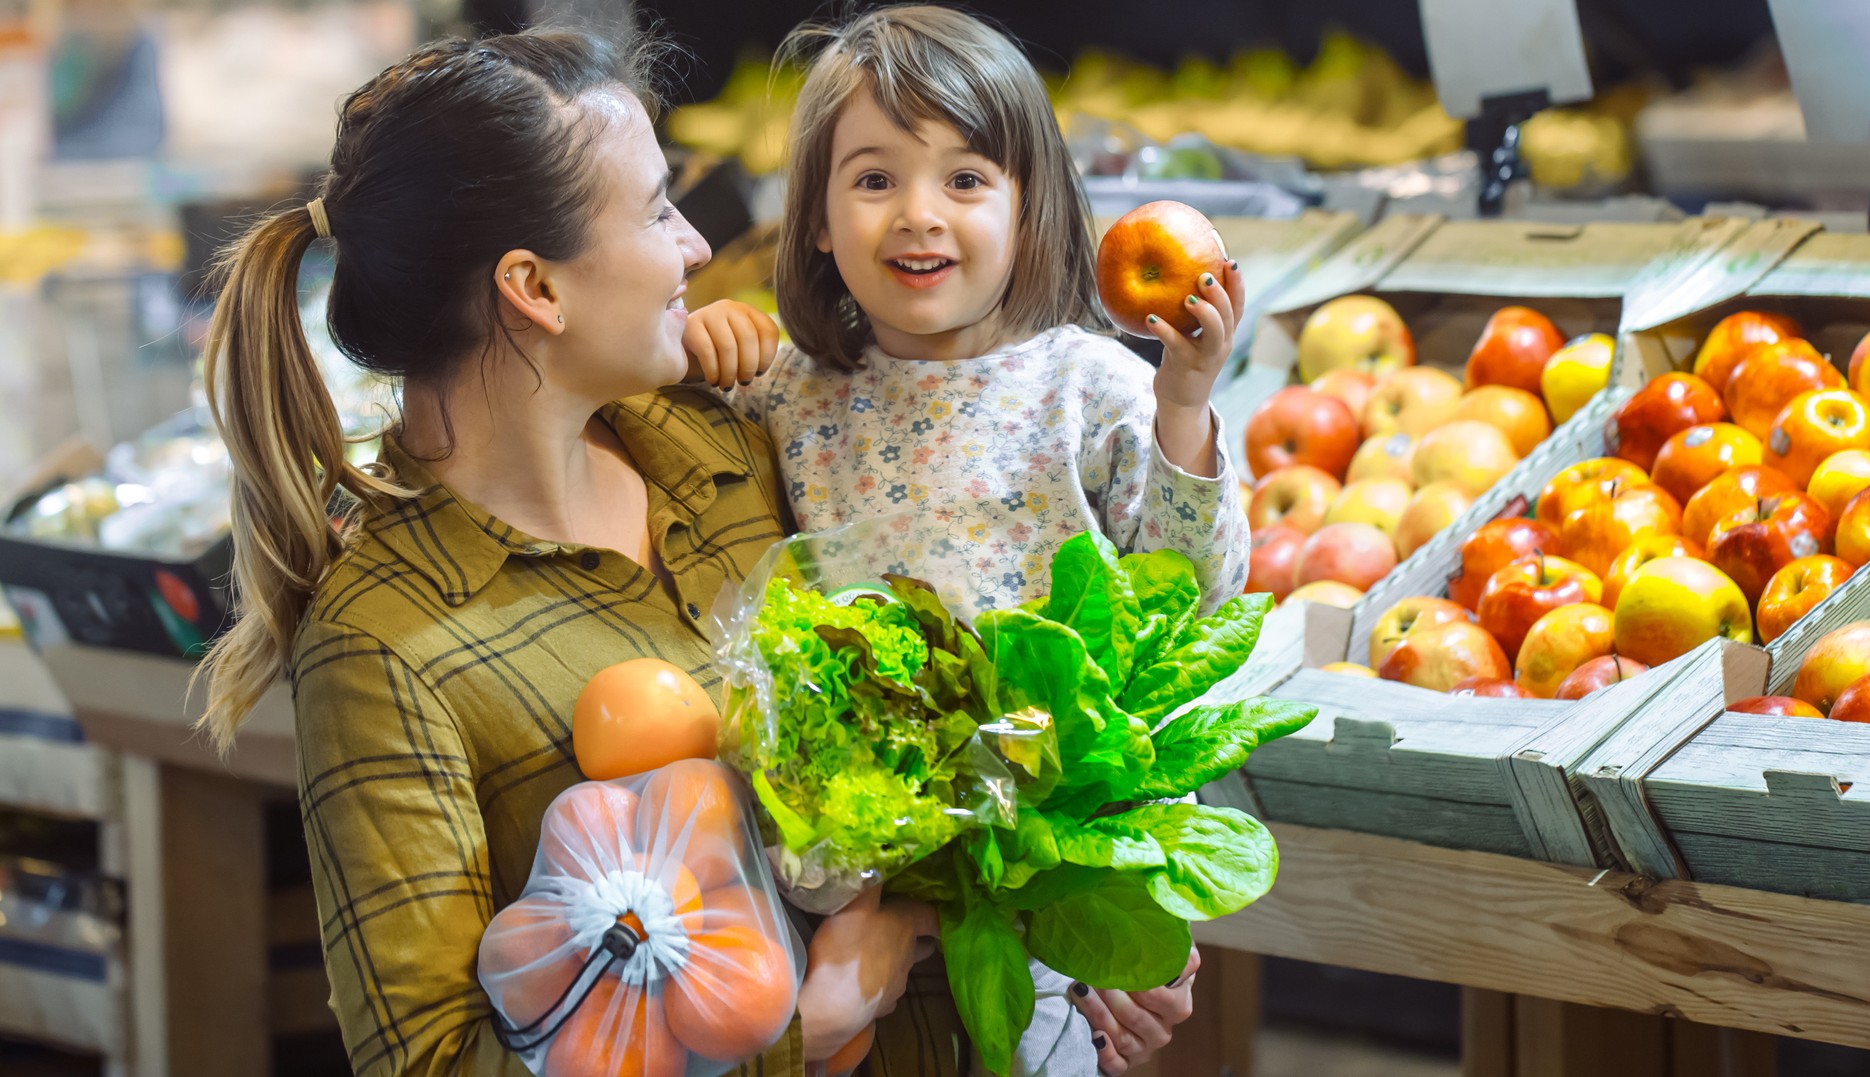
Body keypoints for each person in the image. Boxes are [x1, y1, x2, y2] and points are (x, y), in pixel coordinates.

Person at [193, 28, 950, 1077]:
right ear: (534, 289)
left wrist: (1069, 946)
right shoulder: (385, 646)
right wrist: (801, 1034)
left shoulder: (720, 444)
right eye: (654, 210)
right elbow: (431, 1064)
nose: (694, 245)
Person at [687, 7, 1242, 1075]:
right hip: (851, 866)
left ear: (1032, 207)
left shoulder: (1093, 389)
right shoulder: (791, 391)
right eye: (874, 179)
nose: (917, 216)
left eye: (966, 180)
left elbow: (1199, 595)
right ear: (813, 219)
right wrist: (706, 340)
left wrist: (1182, 407)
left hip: (1037, 854)